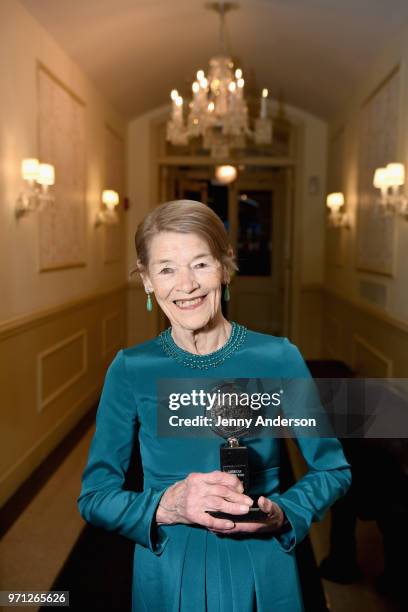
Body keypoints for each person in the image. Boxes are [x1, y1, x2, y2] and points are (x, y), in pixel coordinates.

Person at [77, 199, 351, 611]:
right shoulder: (131, 368)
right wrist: (166, 506)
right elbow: (95, 497)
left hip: (264, 565)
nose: (185, 285)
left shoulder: (279, 358)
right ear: (147, 280)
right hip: (168, 568)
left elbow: (333, 469)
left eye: (201, 264)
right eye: (167, 268)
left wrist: (284, 513)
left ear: (225, 267)